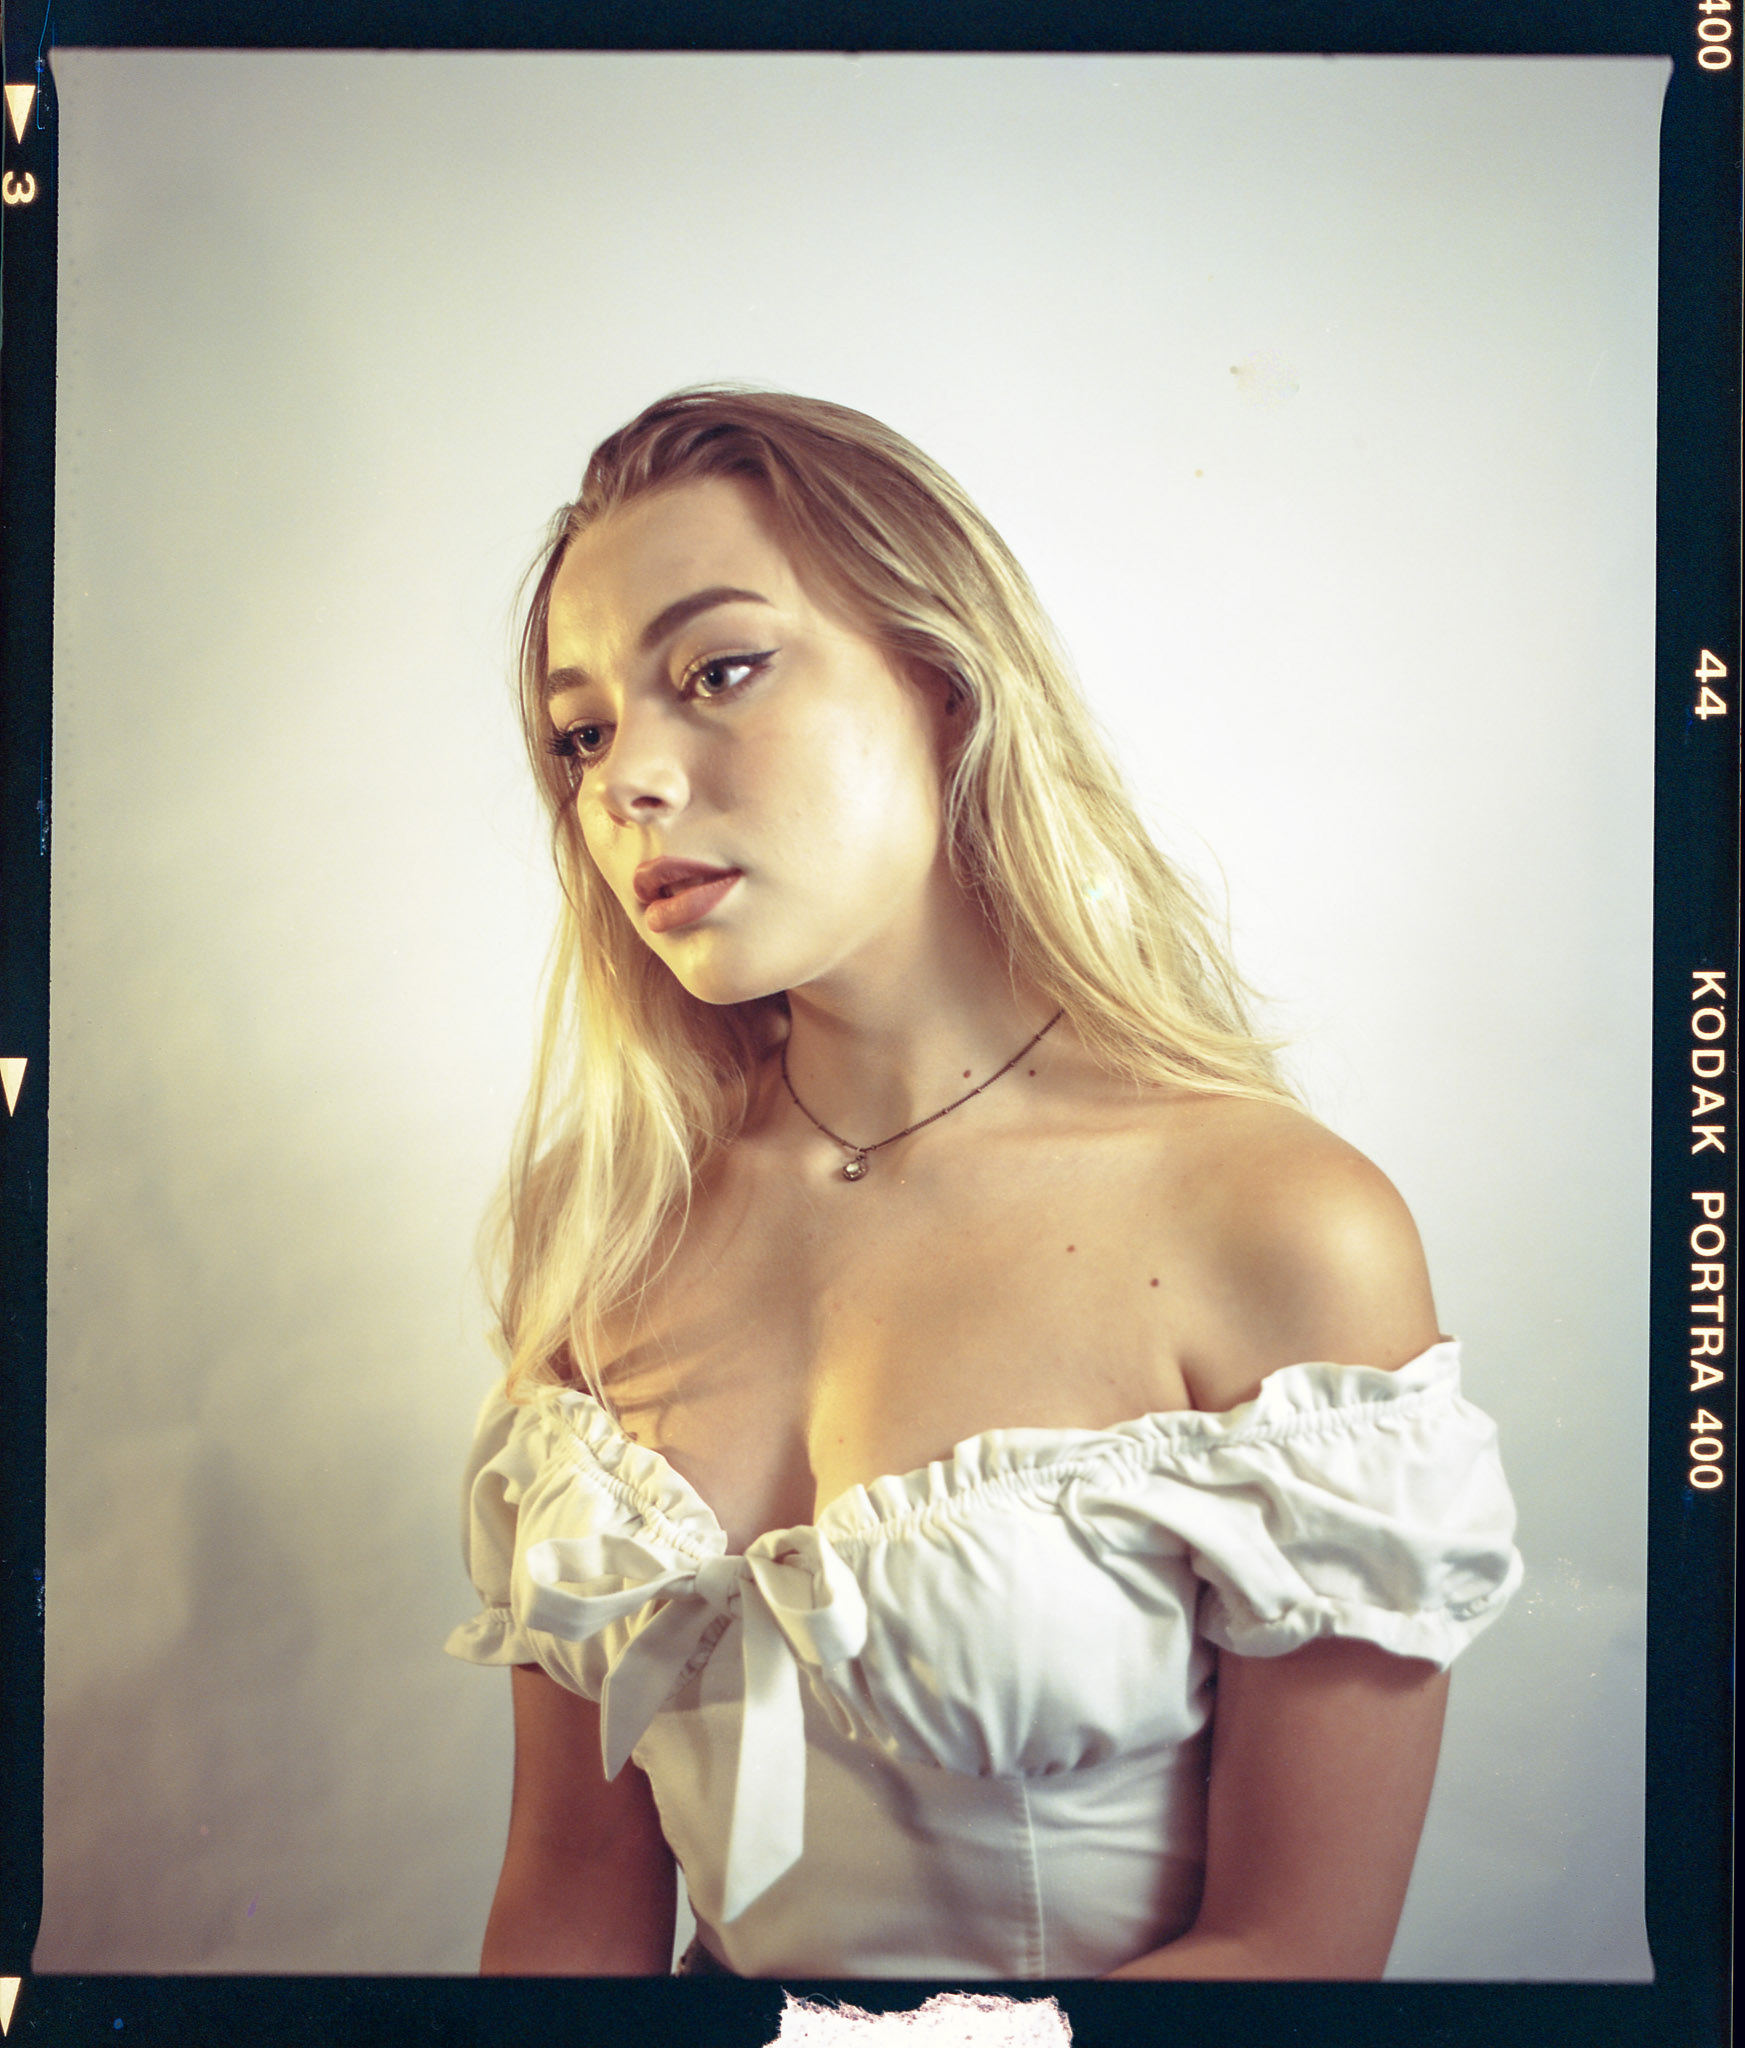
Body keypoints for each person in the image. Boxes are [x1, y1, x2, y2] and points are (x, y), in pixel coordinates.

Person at [446, 387, 1521, 1980]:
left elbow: (1294, 1958)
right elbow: (565, 1893)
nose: (627, 784)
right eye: (582, 732)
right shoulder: (606, 1223)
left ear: (944, 680)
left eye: (719, 671)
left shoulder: (1280, 1226)